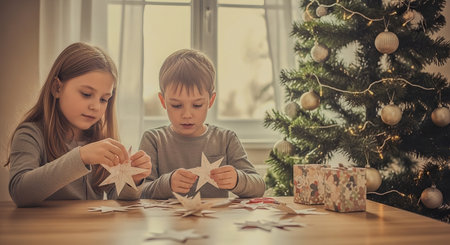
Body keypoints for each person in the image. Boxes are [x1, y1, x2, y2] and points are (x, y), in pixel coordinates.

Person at [4, 42, 151, 207]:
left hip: (88, 230)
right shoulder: (30, 135)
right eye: (86, 94)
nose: (95, 106)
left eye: (104, 99)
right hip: (43, 231)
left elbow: (116, 196)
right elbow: (20, 192)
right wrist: (81, 157)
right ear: (57, 88)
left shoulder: (100, 138)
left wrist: (133, 179)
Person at [139, 49, 265, 199]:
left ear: (210, 101)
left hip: (216, 221)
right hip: (168, 221)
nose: (187, 114)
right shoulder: (154, 139)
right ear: (163, 101)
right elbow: (140, 192)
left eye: (197, 105)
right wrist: (167, 183)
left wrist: (237, 180)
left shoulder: (226, 139)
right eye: (177, 105)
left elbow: (259, 186)